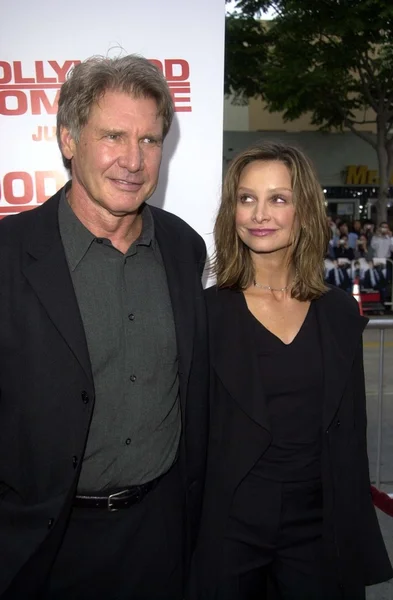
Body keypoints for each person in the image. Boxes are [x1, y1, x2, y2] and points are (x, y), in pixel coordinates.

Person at [0, 55, 209, 600]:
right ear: (68, 140)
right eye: (113, 136)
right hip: (42, 543)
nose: (133, 161)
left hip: (161, 536)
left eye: (150, 140)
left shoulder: (184, 248)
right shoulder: (8, 255)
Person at [193, 142, 392, 599]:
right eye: (246, 198)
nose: (260, 213)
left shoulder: (339, 313)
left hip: (320, 530)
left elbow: (350, 433)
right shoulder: (204, 314)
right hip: (229, 530)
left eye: (278, 199)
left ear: (303, 211)